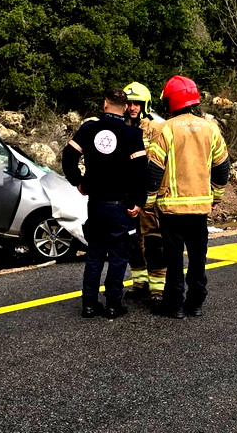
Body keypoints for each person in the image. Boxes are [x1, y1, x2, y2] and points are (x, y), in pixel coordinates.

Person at [146, 75, 230, 318]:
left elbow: (154, 170)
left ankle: (173, 305)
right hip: (200, 208)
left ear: (171, 101)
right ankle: (196, 303)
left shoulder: (166, 129)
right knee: (197, 259)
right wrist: (216, 197)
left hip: (172, 210)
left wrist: (149, 201)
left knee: (173, 261)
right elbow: (222, 166)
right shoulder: (211, 129)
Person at [62, 88, 149, 319]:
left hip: (96, 203)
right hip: (121, 205)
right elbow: (141, 172)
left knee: (95, 254)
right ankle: (113, 305)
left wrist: (78, 182)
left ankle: (89, 305)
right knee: (119, 256)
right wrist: (138, 201)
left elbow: (68, 156)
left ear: (105, 104)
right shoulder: (133, 135)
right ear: (125, 108)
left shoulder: (89, 129)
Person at [122, 81, 167, 303]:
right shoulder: (120, 129)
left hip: (150, 198)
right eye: (128, 103)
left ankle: (158, 288)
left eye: (136, 104)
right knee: (132, 243)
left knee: (154, 243)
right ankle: (139, 283)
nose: (132, 107)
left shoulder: (157, 129)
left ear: (145, 104)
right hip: (128, 197)